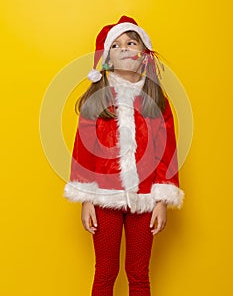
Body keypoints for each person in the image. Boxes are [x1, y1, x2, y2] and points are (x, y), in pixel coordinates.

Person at [64, 15, 184, 296]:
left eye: (132, 42)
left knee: (139, 273)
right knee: (106, 272)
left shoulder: (157, 102)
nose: (126, 48)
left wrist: (162, 200)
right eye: (116, 45)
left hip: (144, 200)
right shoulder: (97, 102)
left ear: (144, 55)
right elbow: (83, 151)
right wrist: (86, 199)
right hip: (104, 199)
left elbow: (167, 152)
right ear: (107, 59)